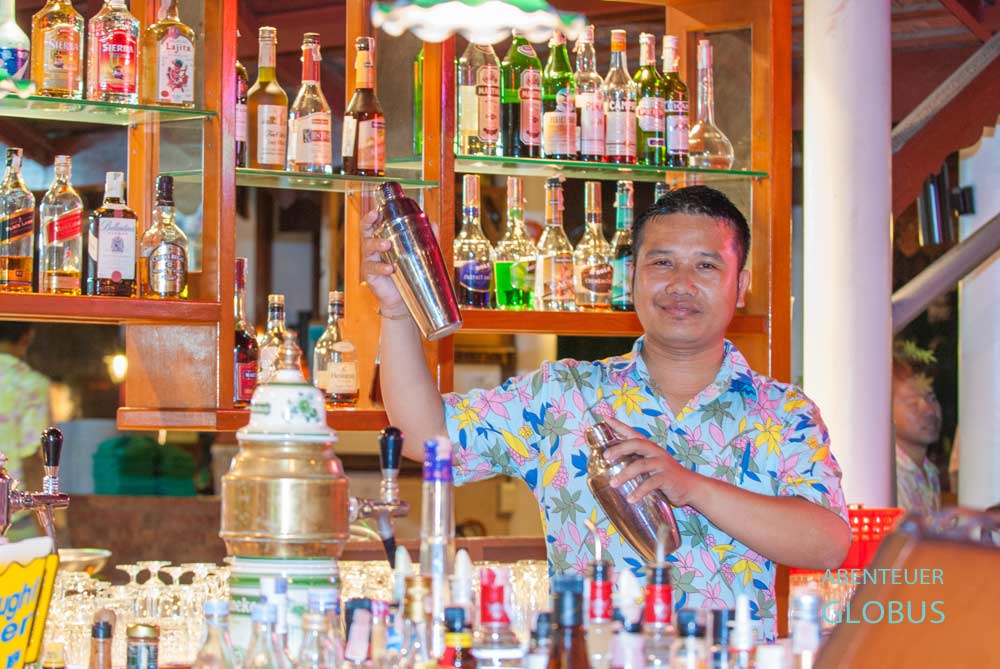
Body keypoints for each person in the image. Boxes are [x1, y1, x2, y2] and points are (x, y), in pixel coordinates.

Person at [362, 185, 850, 640]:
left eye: (705, 266)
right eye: (662, 262)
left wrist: (692, 486)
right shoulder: (564, 394)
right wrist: (398, 311)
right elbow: (424, 437)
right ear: (631, 276)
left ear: (740, 285)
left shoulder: (783, 412)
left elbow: (828, 544)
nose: (680, 284)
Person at [0, 322, 51, 540]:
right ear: (27, 337)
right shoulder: (30, 385)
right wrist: (46, 524)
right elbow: (31, 456)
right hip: (11, 516)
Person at [892, 354, 942, 515]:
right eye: (912, 403)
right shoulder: (888, 475)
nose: (929, 411)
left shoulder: (930, 471)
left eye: (932, 398)